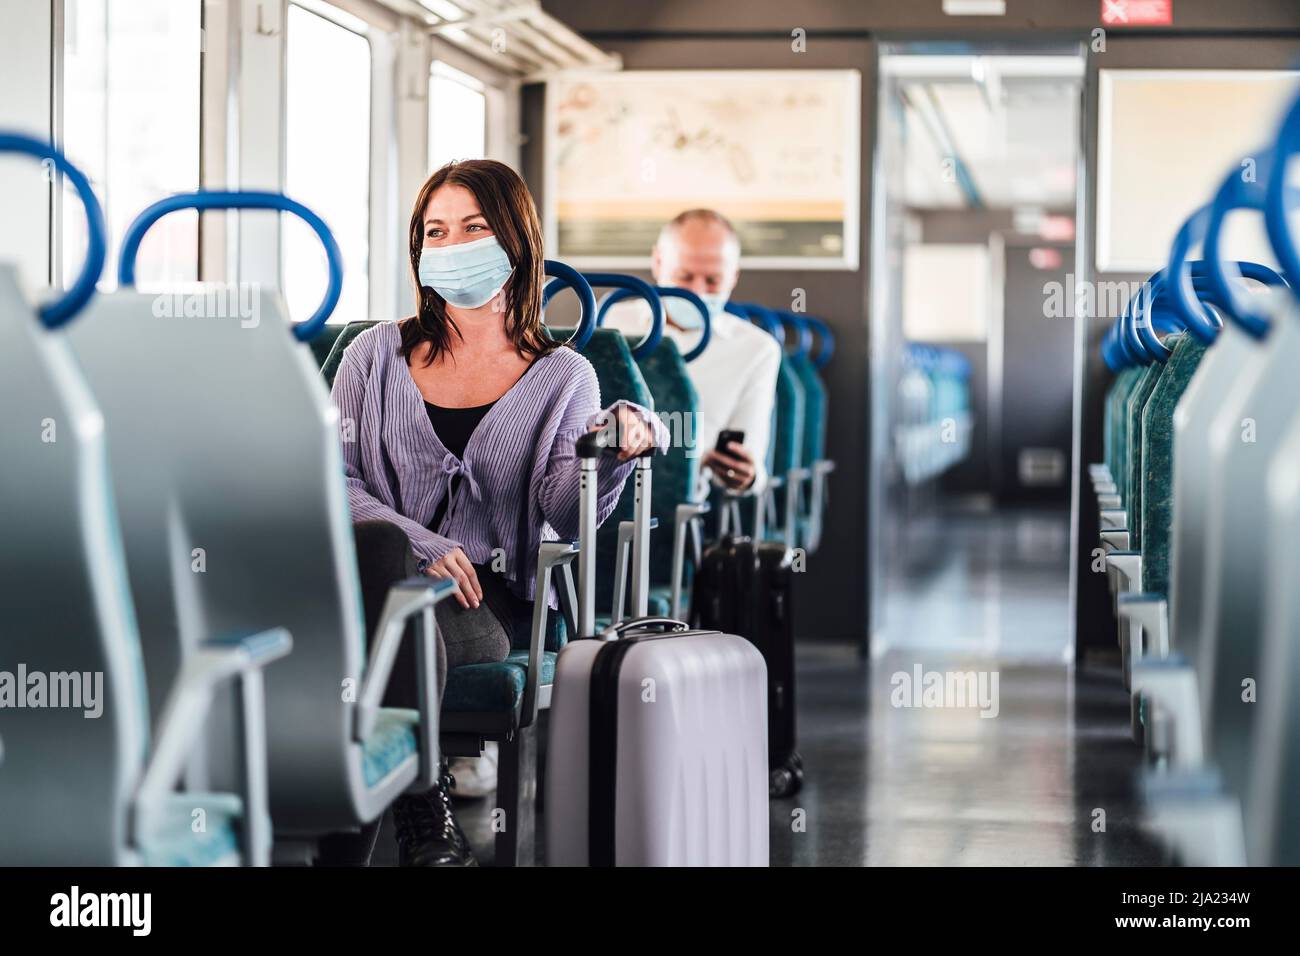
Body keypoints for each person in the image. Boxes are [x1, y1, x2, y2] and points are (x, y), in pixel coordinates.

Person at [331, 159, 666, 866]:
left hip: (484, 603)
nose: (451, 247)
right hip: (368, 587)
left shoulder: (563, 375)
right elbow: (335, 477)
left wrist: (608, 456)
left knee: (397, 614)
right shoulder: (372, 356)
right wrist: (420, 544)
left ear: (516, 239)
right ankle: (422, 811)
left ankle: (397, 819)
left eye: (473, 228)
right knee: (387, 561)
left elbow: (566, 516)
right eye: (436, 232)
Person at [603, 209, 781, 494]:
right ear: (658, 263)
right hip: (599, 489)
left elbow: (751, 460)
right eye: (685, 277)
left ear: (733, 277)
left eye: (712, 281)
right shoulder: (608, 321)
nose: (697, 292)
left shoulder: (757, 350)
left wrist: (745, 475)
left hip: (686, 505)